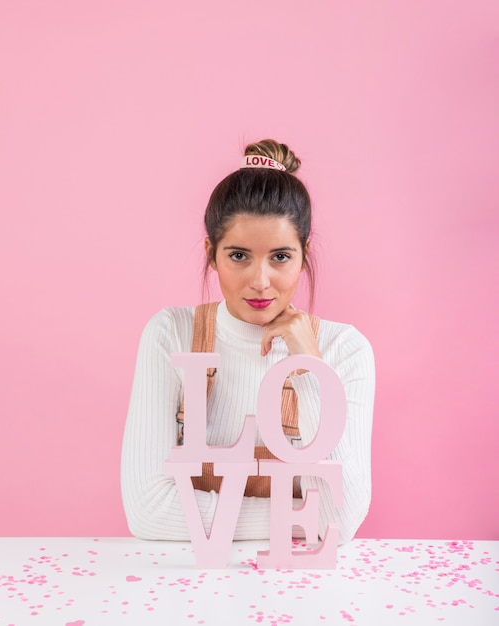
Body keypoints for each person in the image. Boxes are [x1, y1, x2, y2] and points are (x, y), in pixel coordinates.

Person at [121, 139, 375, 544]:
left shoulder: (345, 350)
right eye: (239, 256)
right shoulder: (171, 334)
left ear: (304, 253)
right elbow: (148, 511)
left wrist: (309, 364)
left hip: (301, 592)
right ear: (212, 253)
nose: (260, 280)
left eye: (280, 257)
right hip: (186, 587)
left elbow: (341, 519)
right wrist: (299, 518)